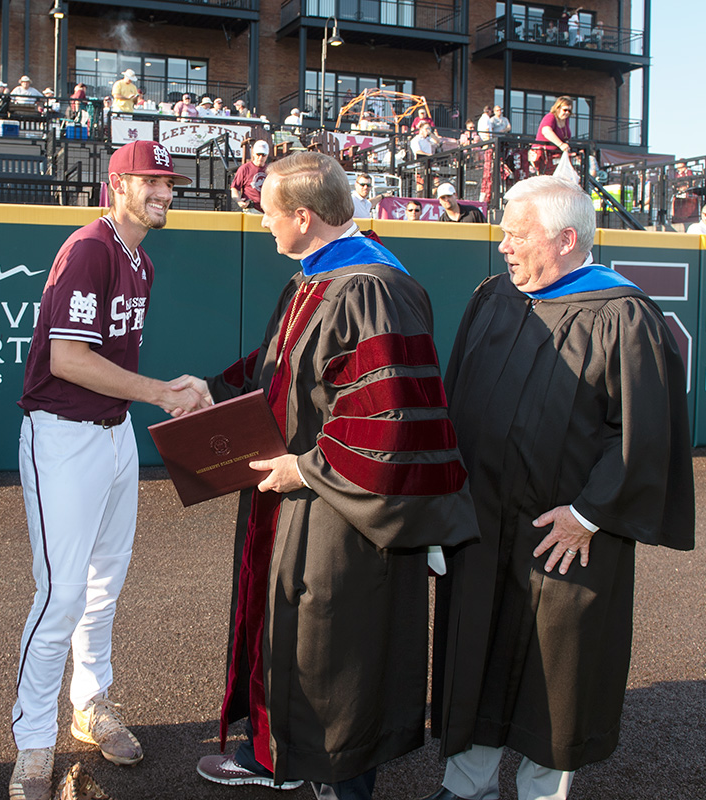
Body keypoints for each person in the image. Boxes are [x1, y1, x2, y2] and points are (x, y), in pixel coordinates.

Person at [180, 152, 476, 799]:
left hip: (340, 519)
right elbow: (286, 366)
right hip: (293, 506)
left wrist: (308, 468)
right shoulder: (317, 279)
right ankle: (280, 755)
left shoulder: (372, 288)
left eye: (268, 214)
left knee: (335, 656)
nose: (263, 225)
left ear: (305, 217)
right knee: (292, 640)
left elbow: (391, 415)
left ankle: (336, 781)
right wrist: (212, 391)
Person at [422, 175, 695, 800]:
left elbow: (646, 436)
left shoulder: (622, 316)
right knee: (477, 654)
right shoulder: (494, 298)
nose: (504, 248)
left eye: (518, 236)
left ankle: (545, 794)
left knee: (556, 670)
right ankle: (467, 788)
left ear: (567, 239)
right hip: (484, 526)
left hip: (564, 535)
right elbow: (456, 399)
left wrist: (591, 514)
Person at [9, 139, 206, 800]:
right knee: (61, 594)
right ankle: (34, 741)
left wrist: (158, 395)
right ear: (117, 183)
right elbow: (66, 358)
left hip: (113, 431)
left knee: (104, 584)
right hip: (63, 434)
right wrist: (159, 392)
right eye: (151, 181)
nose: (164, 193)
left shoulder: (139, 260)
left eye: (169, 184)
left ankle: (90, 705)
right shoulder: (90, 247)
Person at [531, 96, 572, 174]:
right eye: (565, 110)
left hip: (556, 156)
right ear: (558, 108)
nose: (567, 113)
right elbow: (546, 131)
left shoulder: (565, 120)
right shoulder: (550, 117)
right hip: (544, 156)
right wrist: (561, 144)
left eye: (569, 111)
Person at [232, 139, 270, 212]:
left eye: (263, 155)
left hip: (266, 210)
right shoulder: (245, 169)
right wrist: (238, 200)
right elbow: (234, 188)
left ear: (267, 155)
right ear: (253, 153)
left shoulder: (270, 170)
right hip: (251, 208)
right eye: (258, 154)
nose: (260, 158)